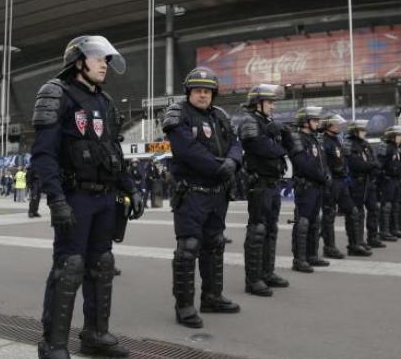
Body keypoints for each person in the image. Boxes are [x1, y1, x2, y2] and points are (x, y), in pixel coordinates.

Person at [31, 35, 144, 358]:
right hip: (74, 196)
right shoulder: (57, 93)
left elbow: (112, 151)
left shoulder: (105, 102)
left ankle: (95, 333)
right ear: (78, 61)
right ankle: (52, 343)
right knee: (69, 267)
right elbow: (43, 155)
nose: (104, 64)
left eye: (107, 59)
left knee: (102, 265)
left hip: (106, 200)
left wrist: (130, 187)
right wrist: (56, 200)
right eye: (97, 58)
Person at [163, 67, 242, 329]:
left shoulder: (220, 116)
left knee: (215, 244)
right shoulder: (179, 113)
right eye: (198, 90)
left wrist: (232, 161)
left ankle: (212, 296)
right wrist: (218, 167)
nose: (202, 95)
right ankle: (184, 306)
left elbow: (236, 143)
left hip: (218, 194)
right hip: (191, 193)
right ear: (189, 92)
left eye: (207, 91)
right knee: (188, 248)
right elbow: (187, 149)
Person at [237, 84, 289, 296]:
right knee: (257, 230)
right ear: (257, 103)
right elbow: (262, 148)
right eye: (269, 102)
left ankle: (268, 273)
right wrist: (280, 149)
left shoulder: (267, 123)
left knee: (270, 229)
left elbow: (276, 148)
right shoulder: (249, 121)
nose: (273, 106)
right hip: (259, 184)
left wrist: (277, 145)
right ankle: (253, 279)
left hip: (272, 182)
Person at [286, 106, 332, 272]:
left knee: (314, 222)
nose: (317, 123)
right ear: (305, 122)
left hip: (317, 186)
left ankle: (312, 255)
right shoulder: (297, 138)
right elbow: (303, 164)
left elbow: (323, 162)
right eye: (314, 120)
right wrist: (322, 176)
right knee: (303, 222)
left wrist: (327, 175)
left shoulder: (314, 139)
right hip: (306, 186)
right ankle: (299, 259)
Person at [321, 115, 372, 257]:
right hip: (332, 183)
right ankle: (329, 247)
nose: (338, 126)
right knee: (329, 215)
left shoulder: (336, 141)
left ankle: (354, 245)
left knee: (353, 211)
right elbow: (323, 164)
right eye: (335, 124)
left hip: (342, 182)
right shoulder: (324, 142)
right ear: (328, 125)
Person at [343, 119, 385, 249]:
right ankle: (358, 241)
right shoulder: (349, 144)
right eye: (361, 130)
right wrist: (371, 165)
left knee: (374, 209)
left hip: (369, 182)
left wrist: (373, 166)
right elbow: (356, 164)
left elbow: (375, 162)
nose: (364, 132)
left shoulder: (366, 144)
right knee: (358, 212)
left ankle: (372, 237)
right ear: (354, 131)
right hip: (357, 183)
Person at [376, 125, 401, 241]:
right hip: (387, 180)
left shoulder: (397, 149)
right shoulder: (386, 147)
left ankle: (394, 228)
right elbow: (380, 164)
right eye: (398, 135)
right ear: (392, 137)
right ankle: (384, 231)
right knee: (386, 206)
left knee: (395, 205)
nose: (400, 137)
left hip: (396, 180)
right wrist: (382, 176)